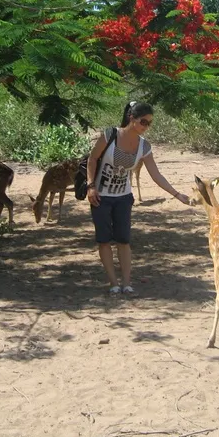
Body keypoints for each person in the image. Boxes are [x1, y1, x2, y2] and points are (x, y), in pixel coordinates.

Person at [86, 101, 191, 295]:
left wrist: (177, 194)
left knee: (123, 240)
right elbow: (92, 159)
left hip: (123, 197)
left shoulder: (144, 146)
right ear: (131, 118)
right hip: (101, 196)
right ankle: (113, 283)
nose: (146, 127)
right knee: (104, 240)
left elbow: (156, 174)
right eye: (143, 122)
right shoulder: (110, 135)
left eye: (149, 123)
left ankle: (126, 283)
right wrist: (91, 186)